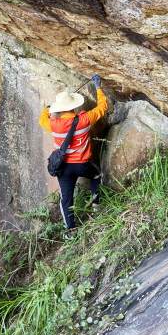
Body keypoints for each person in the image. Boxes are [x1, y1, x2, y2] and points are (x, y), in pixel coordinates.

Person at [39, 74, 109, 230]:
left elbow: (42, 118)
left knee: (66, 199)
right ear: (73, 107)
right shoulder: (84, 120)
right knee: (96, 175)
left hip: (63, 168)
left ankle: (70, 230)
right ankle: (96, 204)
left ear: (60, 109)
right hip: (83, 164)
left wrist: (48, 108)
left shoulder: (53, 124)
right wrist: (98, 88)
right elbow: (102, 108)